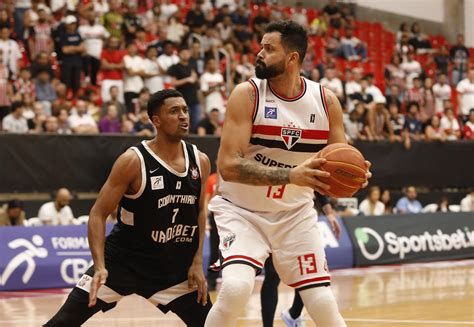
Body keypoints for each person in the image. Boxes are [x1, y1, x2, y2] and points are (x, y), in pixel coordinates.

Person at [205, 21, 370, 327]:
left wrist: (356, 174)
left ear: (293, 58)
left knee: (322, 302)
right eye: (260, 47)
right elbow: (227, 165)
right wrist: (292, 175)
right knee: (235, 290)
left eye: (269, 49)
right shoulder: (247, 95)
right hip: (242, 212)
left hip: (294, 213)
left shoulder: (326, 101)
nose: (259, 54)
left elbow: (338, 163)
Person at [44, 89, 212, 327]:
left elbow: (200, 211)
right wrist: (100, 266)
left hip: (172, 268)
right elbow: (98, 213)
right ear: (156, 121)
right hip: (122, 263)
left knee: (212, 323)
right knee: (62, 322)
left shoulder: (200, 161)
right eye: (174, 111)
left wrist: (196, 262)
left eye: (185, 110)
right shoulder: (133, 161)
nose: (184, 116)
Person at [261, 193, 342, 327]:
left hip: (298, 219)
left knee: (308, 273)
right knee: (272, 275)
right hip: (270, 218)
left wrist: (329, 213)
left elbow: (316, 183)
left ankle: (294, 314)